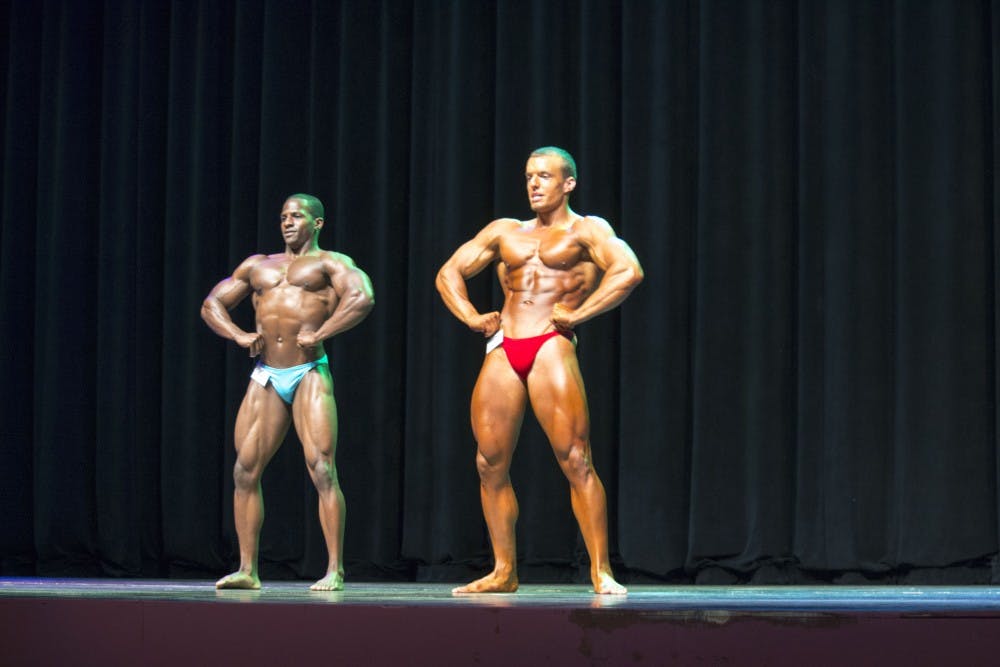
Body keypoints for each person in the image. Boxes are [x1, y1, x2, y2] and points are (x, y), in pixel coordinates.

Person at [436, 147, 643, 595]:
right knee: (488, 462)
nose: (533, 184)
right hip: (503, 343)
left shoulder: (587, 230)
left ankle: (601, 570)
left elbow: (628, 271)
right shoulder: (504, 232)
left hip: (551, 342)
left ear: (568, 183)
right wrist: (472, 317)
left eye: (545, 176)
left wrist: (580, 314)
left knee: (575, 458)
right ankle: (504, 571)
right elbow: (449, 272)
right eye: (529, 175)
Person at [201, 193, 374, 590]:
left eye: (297, 216)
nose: (288, 222)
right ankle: (247, 570)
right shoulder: (258, 266)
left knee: (322, 469)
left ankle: (335, 569)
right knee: (244, 470)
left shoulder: (331, 263)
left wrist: (324, 332)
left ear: (317, 223)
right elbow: (212, 304)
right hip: (266, 373)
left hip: (310, 370)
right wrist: (239, 335)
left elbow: (362, 297)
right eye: (283, 216)